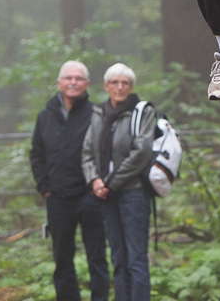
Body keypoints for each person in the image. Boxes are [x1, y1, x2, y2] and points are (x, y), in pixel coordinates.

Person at [29, 60, 110, 301]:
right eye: (68, 78)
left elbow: (106, 151)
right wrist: (44, 188)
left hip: (90, 197)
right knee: (62, 258)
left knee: (97, 257)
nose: (73, 82)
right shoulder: (45, 116)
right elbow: (36, 153)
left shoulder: (97, 113)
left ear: (86, 84)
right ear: (59, 83)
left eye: (78, 79)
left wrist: (99, 183)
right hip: (57, 199)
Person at [81, 63, 155, 301]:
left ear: (131, 86)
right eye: (114, 82)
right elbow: (87, 151)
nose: (119, 87)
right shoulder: (98, 114)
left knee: (136, 259)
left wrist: (110, 182)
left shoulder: (142, 112)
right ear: (106, 86)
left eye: (125, 83)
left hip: (134, 194)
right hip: (107, 195)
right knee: (118, 259)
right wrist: (94, 180)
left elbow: (141, 154)